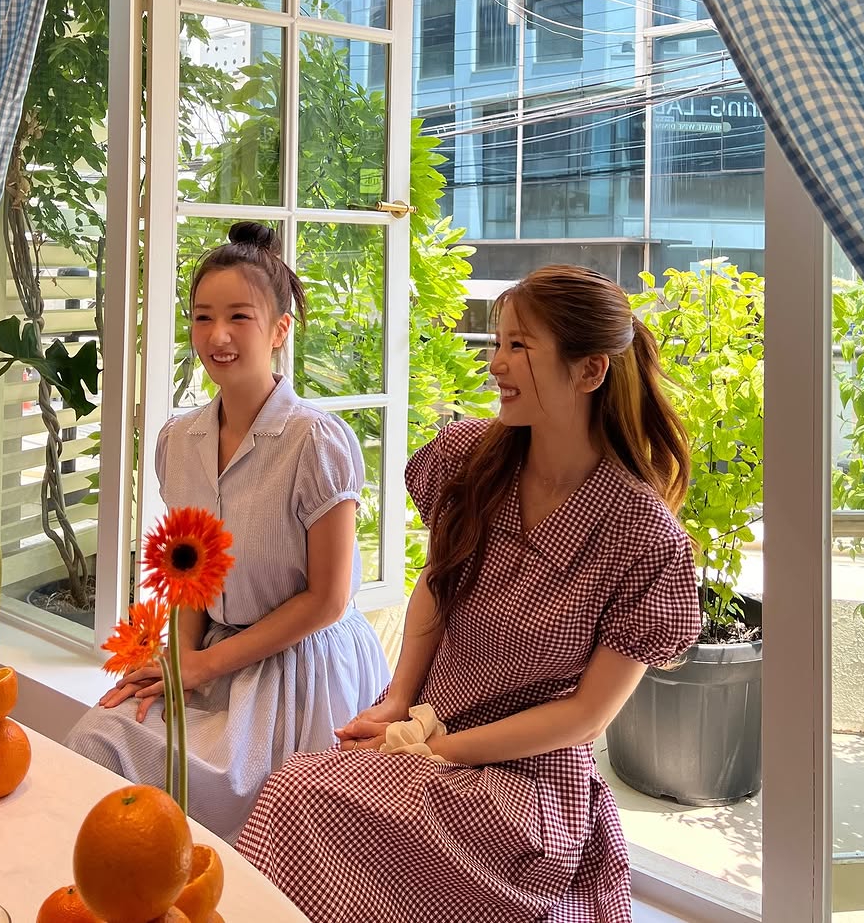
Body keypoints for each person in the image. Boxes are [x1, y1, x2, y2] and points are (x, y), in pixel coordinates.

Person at [237, 264, 701, 922]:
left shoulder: (645, 539)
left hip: (528, 786)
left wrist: (432, 750)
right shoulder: (472, 458)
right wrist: (398, 700)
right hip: (432, 733)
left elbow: (585, 717)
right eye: (498, 342)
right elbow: (437, 582)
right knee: (295, 793)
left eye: (519, 346)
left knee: (301, 798)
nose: (495, 363)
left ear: (590, 371)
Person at [65, 221, 390, 844]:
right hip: (211, 654)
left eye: (239, 317)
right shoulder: (178, 441)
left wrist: (200, 666)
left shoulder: (316, 442)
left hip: (301, 669)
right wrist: (180, 663)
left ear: (280, 329)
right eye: (202, 317)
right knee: (97, 742)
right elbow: (189, 573)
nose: (217, 336)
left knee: (254, 838)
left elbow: (328, 600)